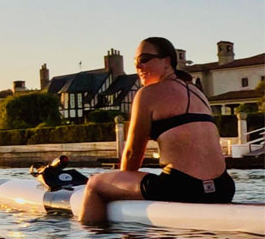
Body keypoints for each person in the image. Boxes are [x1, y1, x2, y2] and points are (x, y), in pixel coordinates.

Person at [73, 37, 234, 223]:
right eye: (135, 62)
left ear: (167, 61)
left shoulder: (147, 94)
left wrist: (118, 185)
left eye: (144, 59)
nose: (138, 66)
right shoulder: (198, 93)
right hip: (223, 188)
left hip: (183, 188)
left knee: (95, 184)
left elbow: (133, 152)